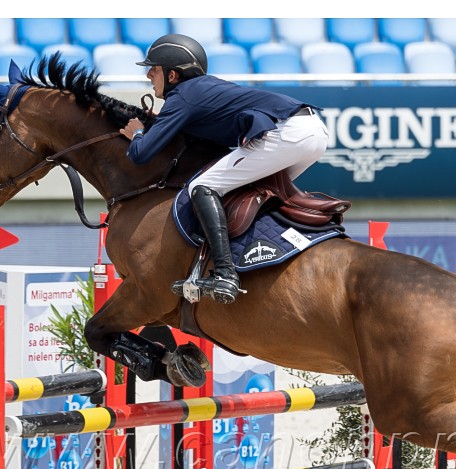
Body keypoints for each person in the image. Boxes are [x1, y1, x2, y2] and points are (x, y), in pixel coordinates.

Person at [121, 34, 329, 304]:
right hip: (313, 132)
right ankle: (262, 255)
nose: (148, 74)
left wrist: (137, 133)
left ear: (172, 75)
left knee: (202, 186)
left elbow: (140, 155)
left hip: (288, 134)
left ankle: (225, 275)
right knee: (253, 193)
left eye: (154, 68)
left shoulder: (183, 96)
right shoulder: (197, 91)